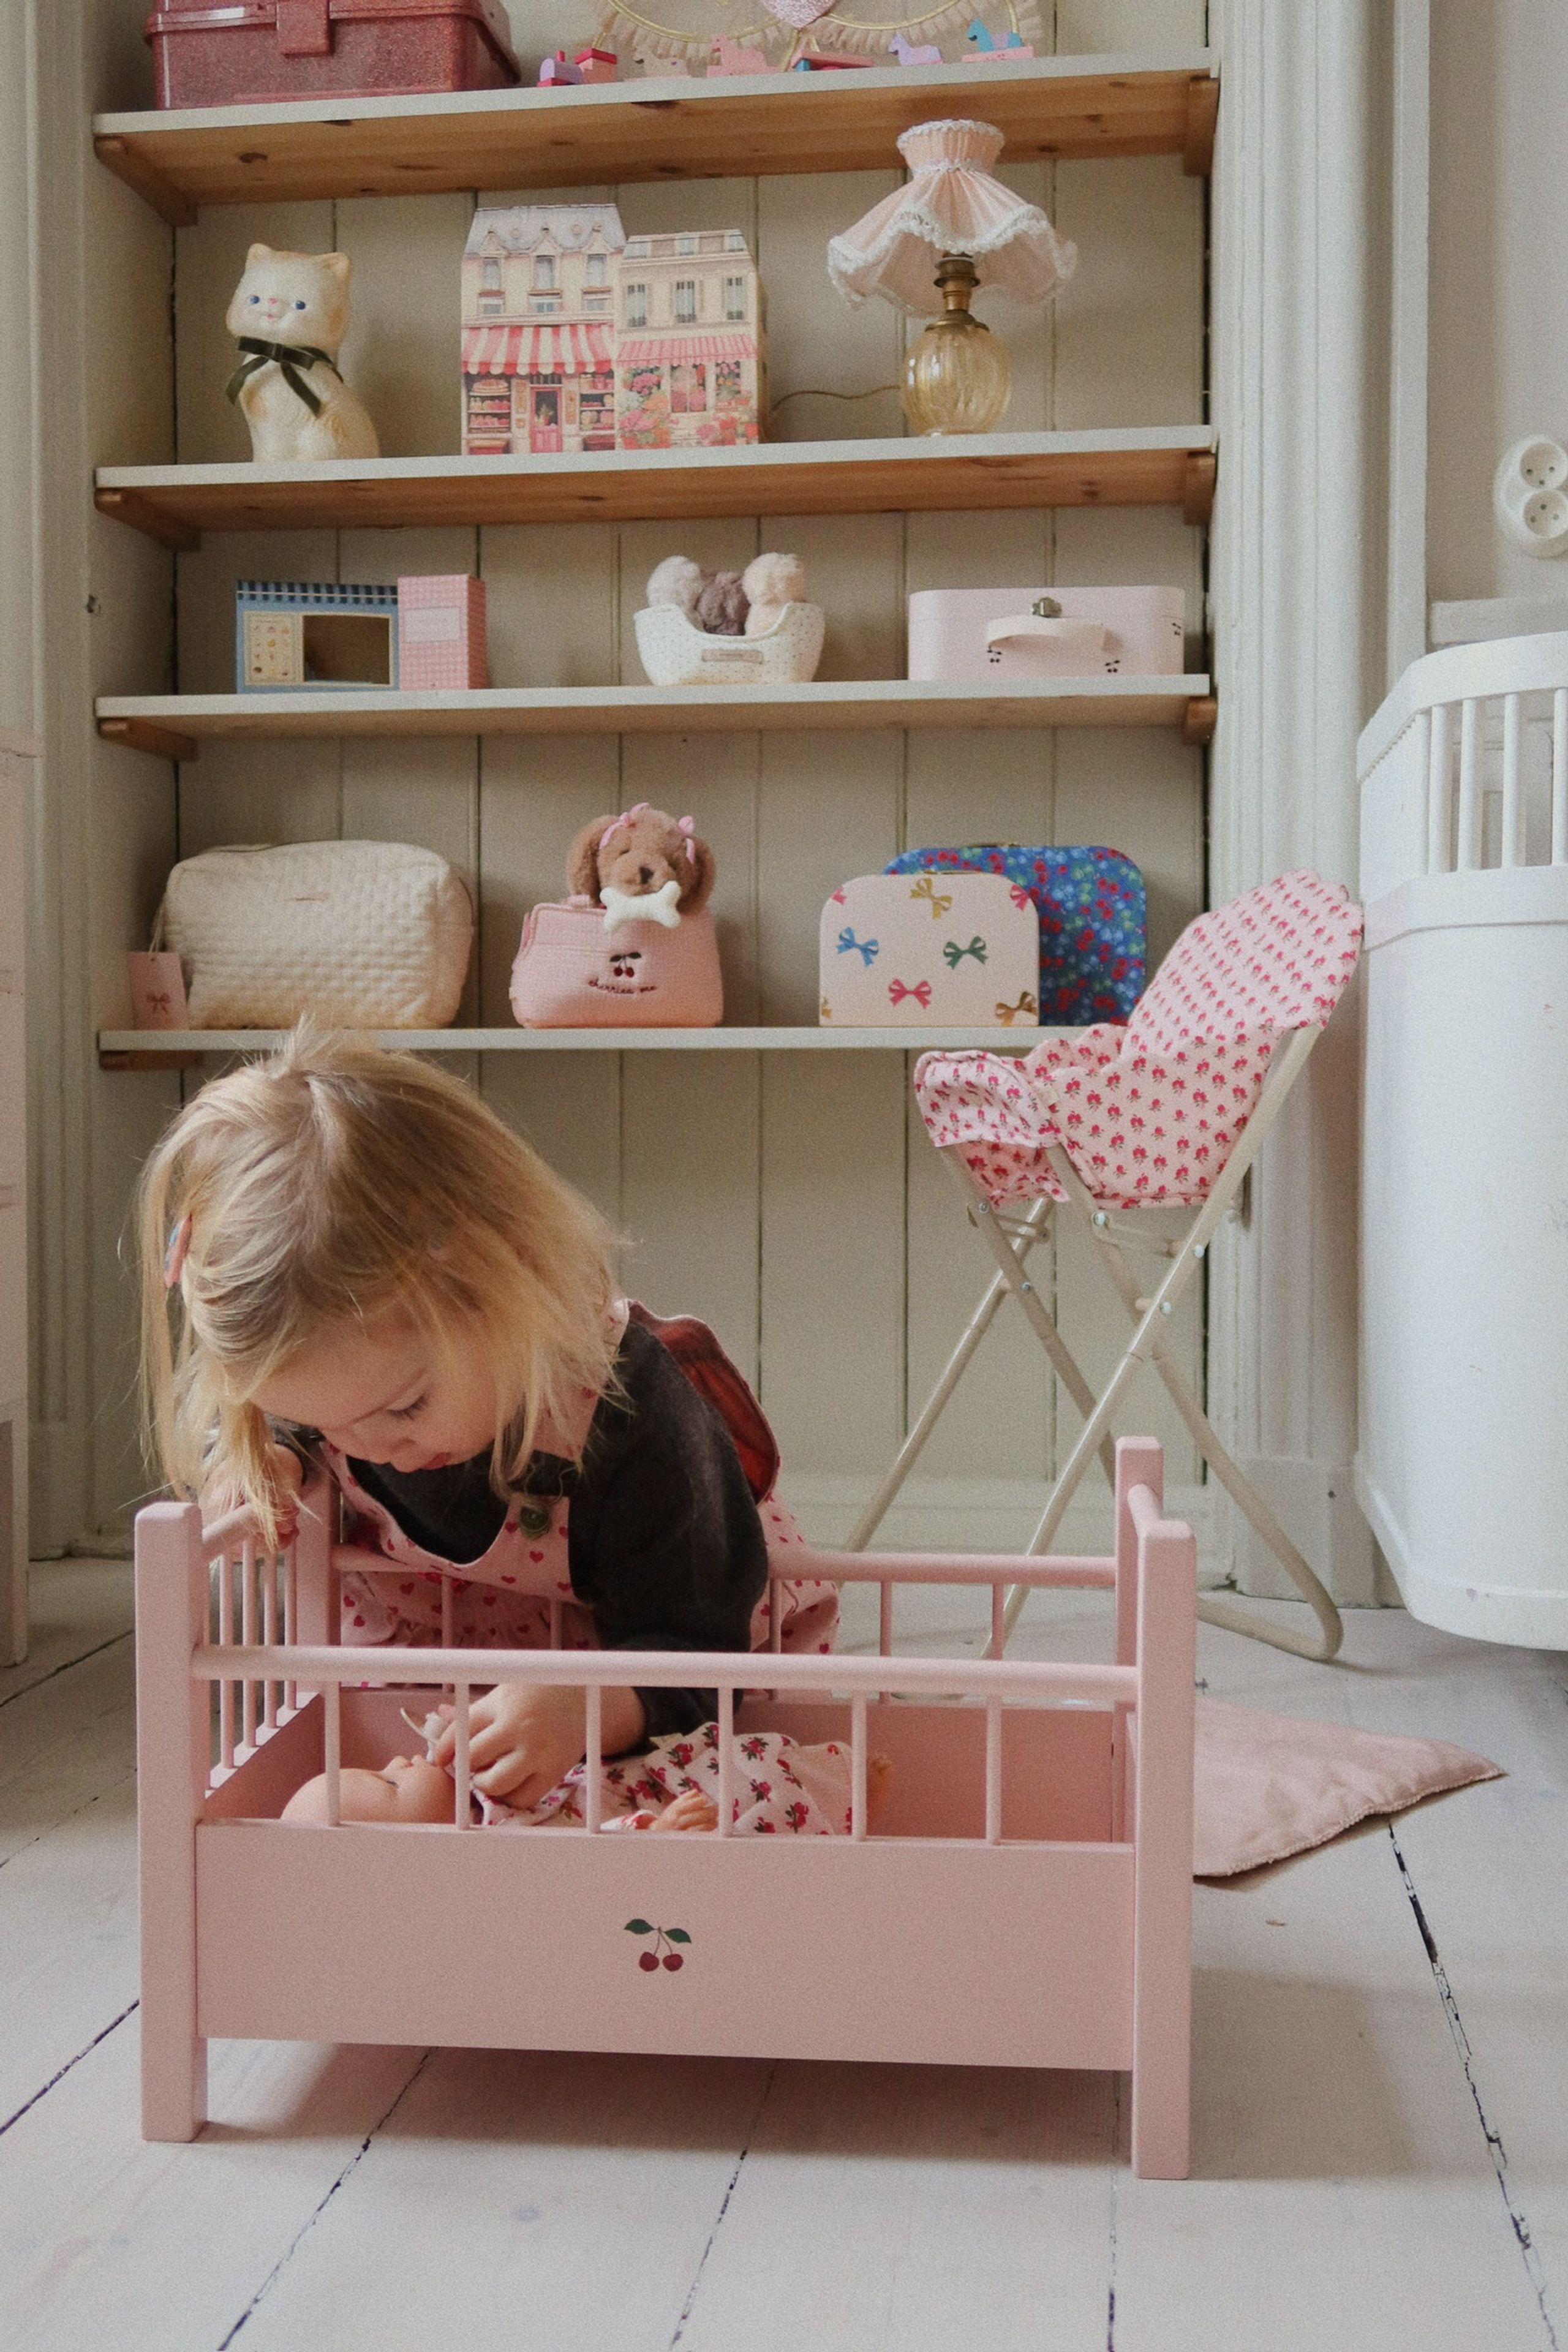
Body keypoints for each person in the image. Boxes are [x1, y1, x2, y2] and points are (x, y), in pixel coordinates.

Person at [140, 1025, 836, 1820]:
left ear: (508, 1282)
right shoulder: (349, 1387)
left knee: (710, 1827)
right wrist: (269, 1455)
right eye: (318, 1422)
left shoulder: (630, 1412)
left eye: (402, 1409)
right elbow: (313, 1416)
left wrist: (584, 1706)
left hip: (669, 1686)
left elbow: (701, 1653)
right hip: (449, 1692)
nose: (366, 1449)